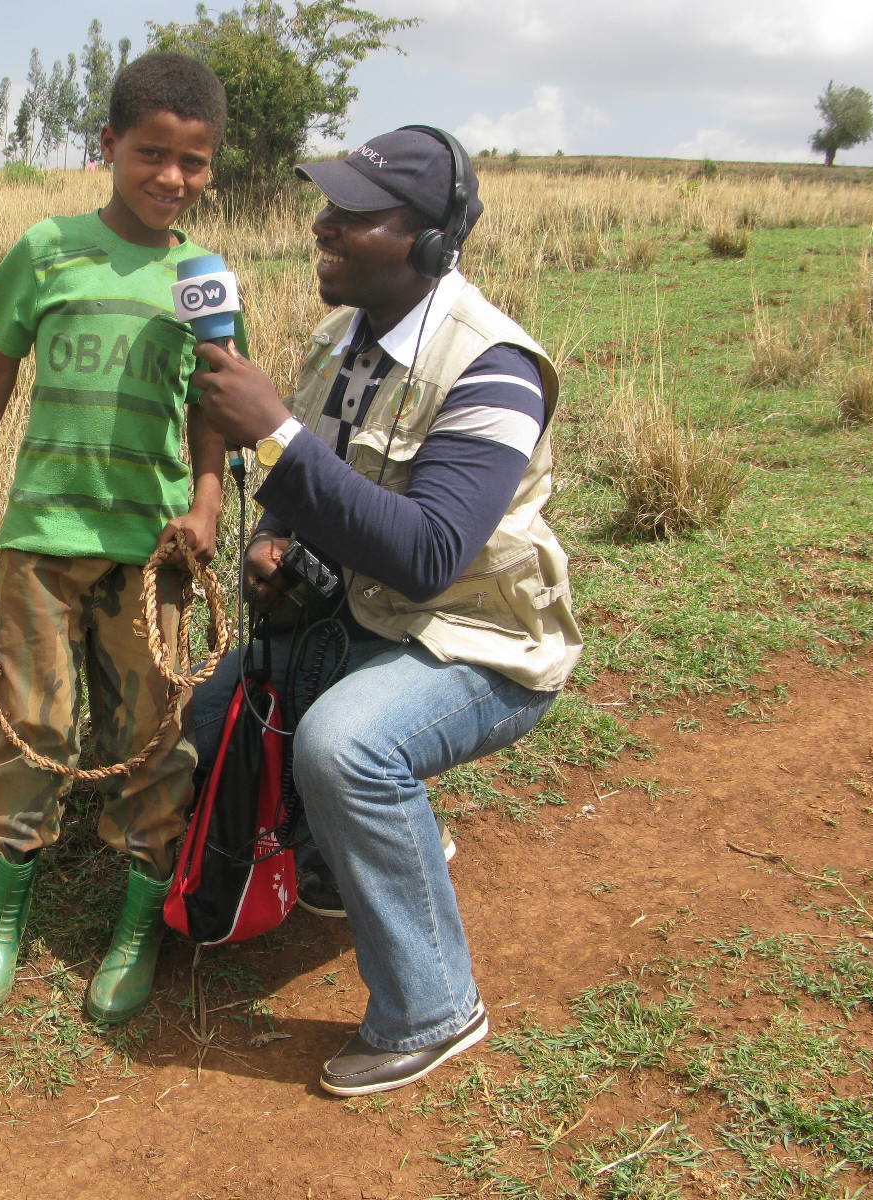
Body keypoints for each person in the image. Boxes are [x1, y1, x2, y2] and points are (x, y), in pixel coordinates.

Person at [188, 126, 582, 1096]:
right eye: (326, 204)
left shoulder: (494, 366)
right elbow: (303, 487)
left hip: (480, 643)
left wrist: (273, 430)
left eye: (354, 214)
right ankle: (331, 863)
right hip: (370, 621)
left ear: (430, 241)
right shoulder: (341, 337)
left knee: (346, 747)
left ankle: (432, 1005)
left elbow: (426, 554)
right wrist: (270, 545)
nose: (323, 224)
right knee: (213, 713)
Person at [0, 52, 229, 1024]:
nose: (171, 178)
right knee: (34, 724)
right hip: (41, 539)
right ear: (108, 147)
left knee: (151, 734)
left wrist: (207, 503)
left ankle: (135, 928)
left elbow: (214, 399)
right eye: (151, 153)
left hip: (153, 554)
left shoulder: (200, 276)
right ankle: (2, 924)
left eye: (193, 162)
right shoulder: (48, 247)